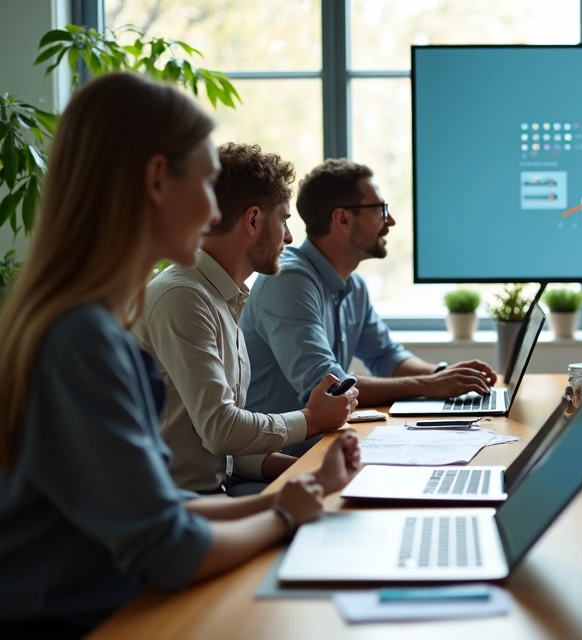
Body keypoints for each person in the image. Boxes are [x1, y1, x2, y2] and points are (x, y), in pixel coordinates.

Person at [0, 73, 361, 638]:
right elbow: (167, 547)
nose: (214, 211)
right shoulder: (85, 342)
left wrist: (291, 498)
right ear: (157, 182)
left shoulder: (78, 325)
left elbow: (162, 511)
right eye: (209, 184)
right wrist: (285, 515)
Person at [135, 142, 357, 496]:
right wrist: (311, 419)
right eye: (284, 220)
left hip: (214, 493)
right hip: (175, 508)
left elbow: (223, 450)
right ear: (253, 220)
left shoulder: (223, 297)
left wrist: (314, 472)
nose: (289, 237)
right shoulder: (182, 297)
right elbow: (220, 429)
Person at [240, 159, 496, 415]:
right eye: (380, 209)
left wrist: (447, 376)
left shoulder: (353, 286)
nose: (391, 220)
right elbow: (330, 386)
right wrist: (430, 385)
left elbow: (385, 356)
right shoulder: (288, 280)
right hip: (286, 452)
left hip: (326, 443)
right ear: (343, 219)